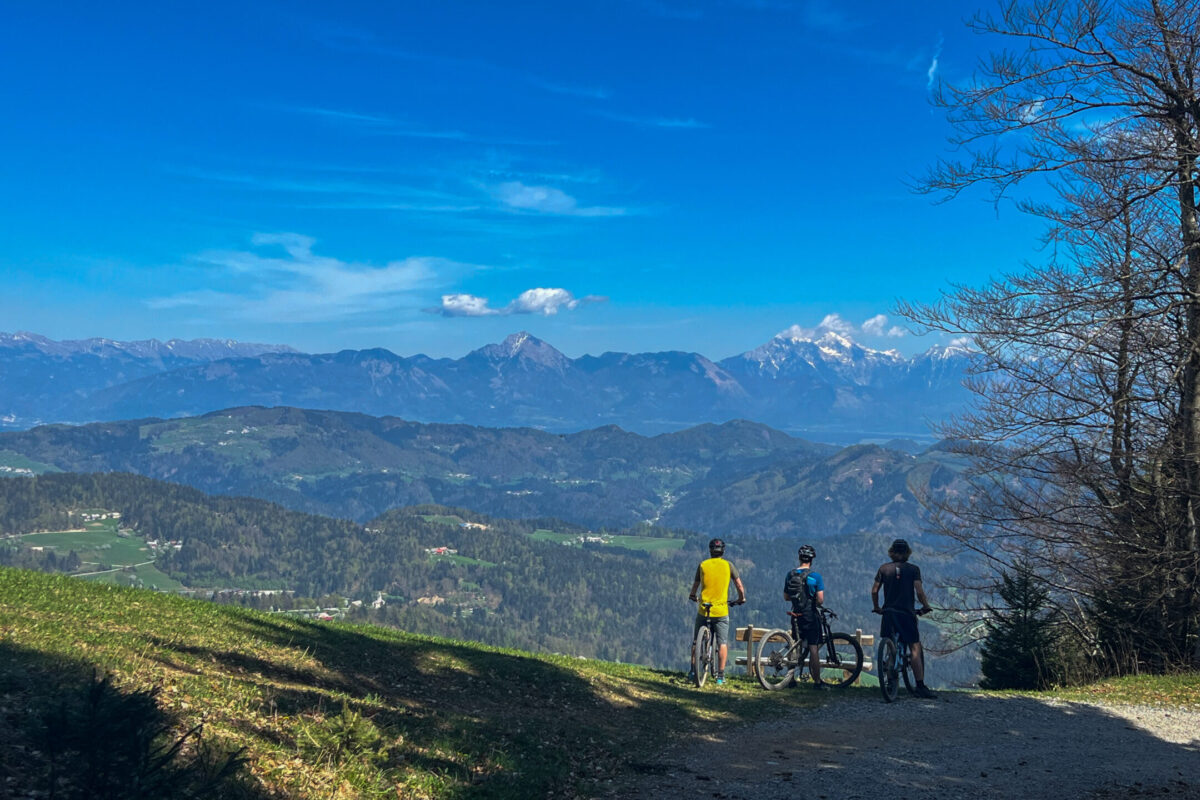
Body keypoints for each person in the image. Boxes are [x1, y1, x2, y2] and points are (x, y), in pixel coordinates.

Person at [871, 538, 937, 699]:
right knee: (915, 648)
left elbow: (874, 591)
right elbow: (919, 592)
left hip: (888, 613)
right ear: (908, 553)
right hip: (906, 613)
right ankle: (920, 686)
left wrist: (877, 607)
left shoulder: (884, 568)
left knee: (889, 642)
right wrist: (926, 606)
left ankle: (889, 677)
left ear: (891, 552)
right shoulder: (914, 569)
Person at [688, 537, 747, 685]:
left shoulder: (703, 565)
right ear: (723, 551)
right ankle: (720, 676)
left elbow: (696, 585)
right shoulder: (728, 565)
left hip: (704, 609)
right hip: (720, 611)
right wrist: (741, 598)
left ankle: (693, 671)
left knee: (696, 641)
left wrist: (692, 595)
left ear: (710, 551)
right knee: (722, 643)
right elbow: (739, 586)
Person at [783, 544, 829, 689]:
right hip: (810, 615)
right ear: (811, 559)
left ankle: (790, 680)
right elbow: (820, 599)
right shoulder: (815, 577)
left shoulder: (790, 574)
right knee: (813, 647)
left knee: (794, 645)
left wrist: (798, 599)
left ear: (799, 558)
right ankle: (817, 682)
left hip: (795, 614)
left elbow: (786, 596)